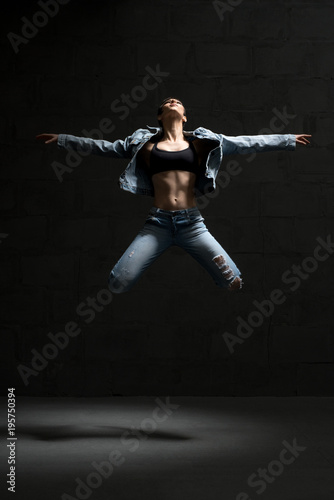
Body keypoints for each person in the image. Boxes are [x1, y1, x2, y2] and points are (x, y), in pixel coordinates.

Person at [36, 97, 311, 293]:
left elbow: (247, 142)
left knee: (234, 282)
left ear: (185, 115)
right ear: (159, 116)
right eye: (167, 102)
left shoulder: (204, 141)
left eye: (177, 101)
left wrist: (287, 139)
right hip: (157, 225)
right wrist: (63, 139)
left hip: (192, 225)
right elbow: (104, 146)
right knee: (117, 284)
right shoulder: (143, 143)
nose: (172, 101)